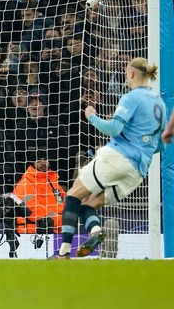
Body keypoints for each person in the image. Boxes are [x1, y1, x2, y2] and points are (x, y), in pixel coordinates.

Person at [53, 58, 166, 258]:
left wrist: (92, 116)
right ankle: (96, 231)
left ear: (131, 73)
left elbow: (114, 128)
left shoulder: (131, 97)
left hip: (116, 158)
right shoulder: (160, 104)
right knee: (88, 204)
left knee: (72, 195)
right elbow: (161, 144)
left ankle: (63, 252)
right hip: (137, 171)